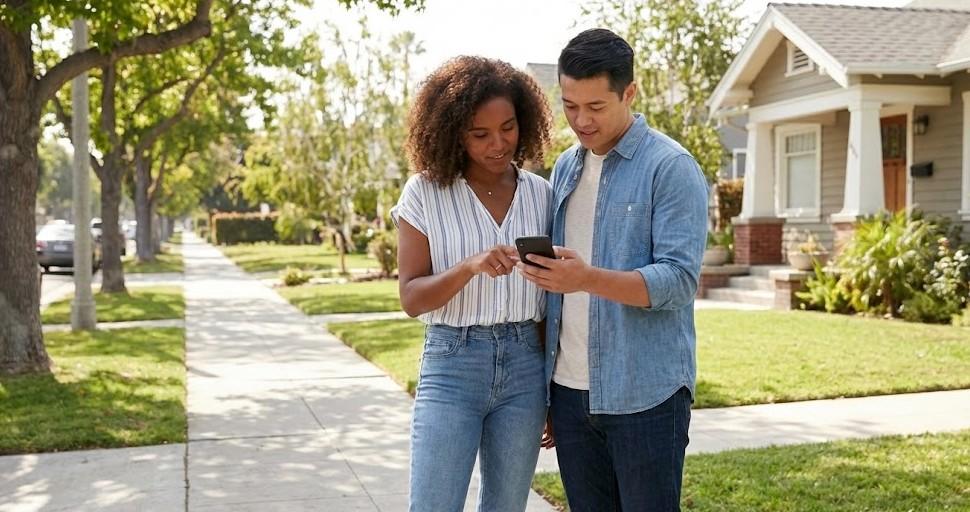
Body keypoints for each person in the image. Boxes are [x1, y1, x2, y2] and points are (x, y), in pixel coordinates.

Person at [517, 28, 709, 511]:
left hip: (646, 394)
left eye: (596, 107)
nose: (581, 120)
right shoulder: (565, 168)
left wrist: (588, 278)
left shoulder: (671, 167)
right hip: (570, 392)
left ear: (630, 93)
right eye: (570, 105)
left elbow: (679, 281)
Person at [391, 55, 554, 512]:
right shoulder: (424, 193)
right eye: (480, 134)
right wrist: (468, 267)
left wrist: (550, 391)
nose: (498, 144)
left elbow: (548, 303)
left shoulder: (542, 194)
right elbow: (411, 298)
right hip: (452, 365)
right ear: (452, 132)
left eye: (508, 127)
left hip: (525, 365)